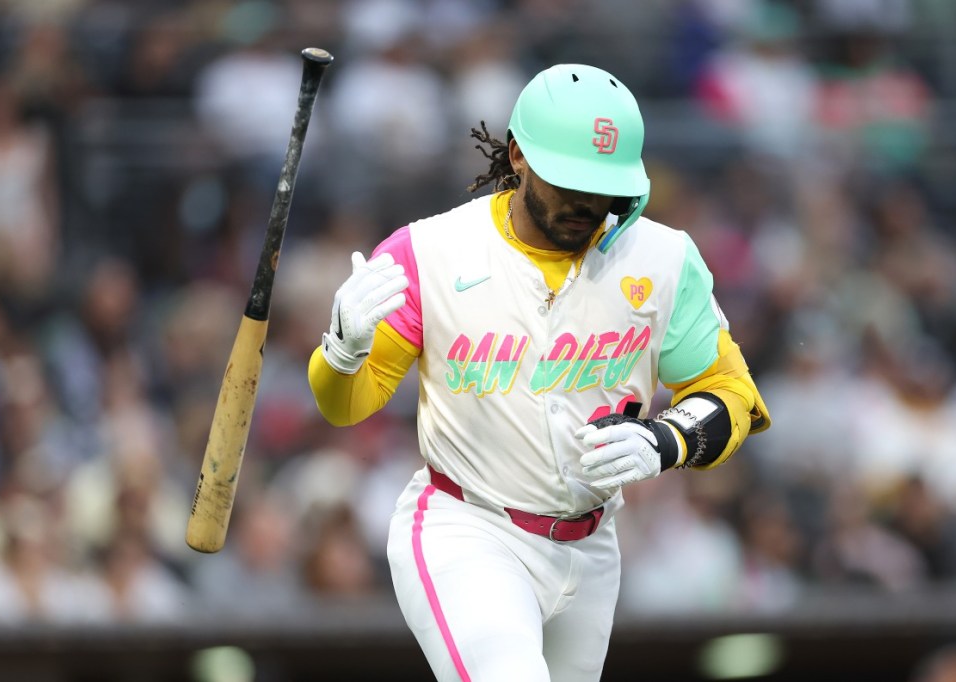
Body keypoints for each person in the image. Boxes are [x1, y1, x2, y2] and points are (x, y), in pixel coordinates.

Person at [308, 63, 771, 682]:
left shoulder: (663, 259)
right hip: (468, 528)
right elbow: (344, 407)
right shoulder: (427, 252)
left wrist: (670, 439)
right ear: (518, 154)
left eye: (604, 183)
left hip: (594, 545)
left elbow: (731, 392)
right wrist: (342, 354)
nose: (587, 202)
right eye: (569, 180)